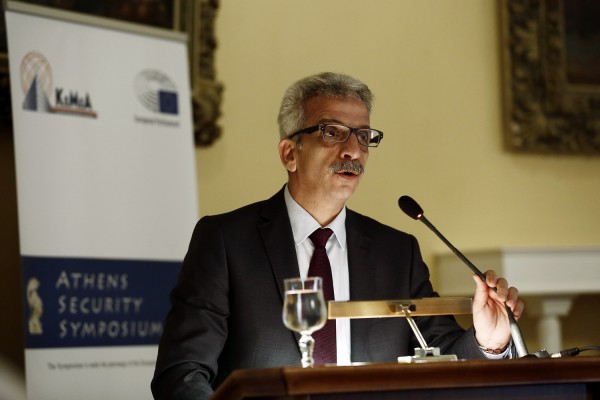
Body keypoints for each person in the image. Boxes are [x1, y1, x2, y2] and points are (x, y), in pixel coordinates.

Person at [151, 72, 524, 400]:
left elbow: (443, 357)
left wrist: (489, 341)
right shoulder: (226, 241)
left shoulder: (397, 252)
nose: (353, 151)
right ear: (289, 153)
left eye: (363, 136)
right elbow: (181, 373)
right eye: (332, 132)